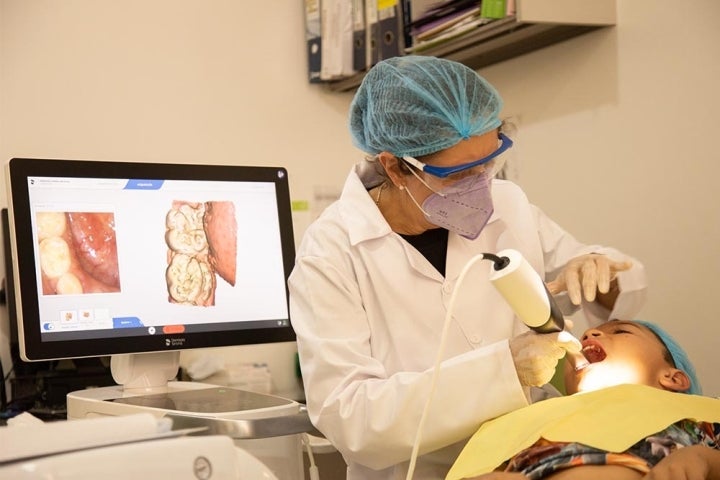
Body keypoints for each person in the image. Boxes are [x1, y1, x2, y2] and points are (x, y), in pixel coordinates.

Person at [288, 55, 648, 480]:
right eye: (458, 173)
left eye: (489, 160)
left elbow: (614, 285)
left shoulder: (509, 203)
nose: (481, 183)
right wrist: (504, 370)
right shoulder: (332, 252)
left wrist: (594, 270)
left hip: (531, 460)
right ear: (394, 167)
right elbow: (349, 418)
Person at [447, 320, 720, 480]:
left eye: (620, 331)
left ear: (673, 379)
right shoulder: (527, 419)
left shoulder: (697, 417)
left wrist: (704, 458)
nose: (590, 334)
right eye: (586, 334)